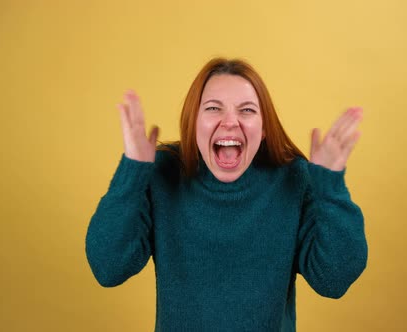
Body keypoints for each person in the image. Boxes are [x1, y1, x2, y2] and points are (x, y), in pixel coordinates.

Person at [85, 58, 368, 331]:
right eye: (213, 108)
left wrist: (330, 187)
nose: (231, 122)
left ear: (264, 127)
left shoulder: (293, 179)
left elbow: (334, 280)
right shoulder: (163, 174)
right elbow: (109, 268)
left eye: (246, 110)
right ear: (193, 121)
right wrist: (132, 171)